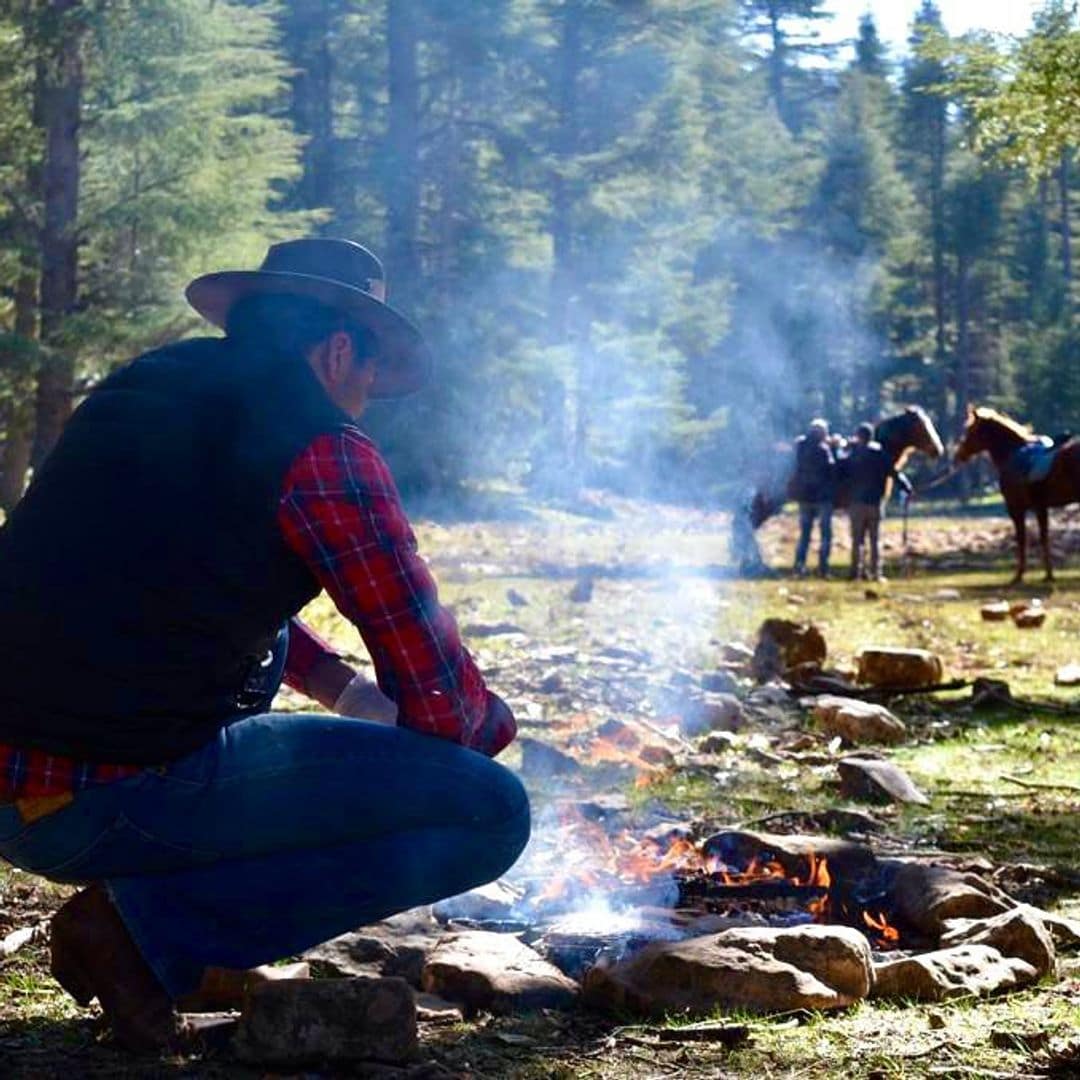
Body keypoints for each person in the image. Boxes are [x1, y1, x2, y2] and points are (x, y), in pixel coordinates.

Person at [0, 238, 530, 1051]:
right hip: (101, 793)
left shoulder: (147, 386)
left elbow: (179, 581)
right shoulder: (323, 450)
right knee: (489, 812)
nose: (364, 399)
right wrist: (490, 736)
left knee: (282, 676)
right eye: (366, 378)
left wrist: (348, 695)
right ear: (340, 348)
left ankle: (145, 921)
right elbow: (444, 706)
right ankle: (140, 932)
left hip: (22, 783)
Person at [841, 420, 913, 581]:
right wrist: (907, 487)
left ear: (858, 436)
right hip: (875, 502)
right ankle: (876, 573)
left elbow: (840, 471)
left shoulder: (853, 454)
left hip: (856, 502)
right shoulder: (880, 454)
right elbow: (894, 473)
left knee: (857, 540)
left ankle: (855, 572)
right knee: (875, 540)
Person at [791, 418, 836, 578]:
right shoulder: (823, 449)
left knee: (805, 535)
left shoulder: (800, 447)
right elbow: (831, 469)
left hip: (804, 497)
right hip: (821, 497)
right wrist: (834, 449)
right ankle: (823, 568)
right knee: (825, 535)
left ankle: (799, 565)